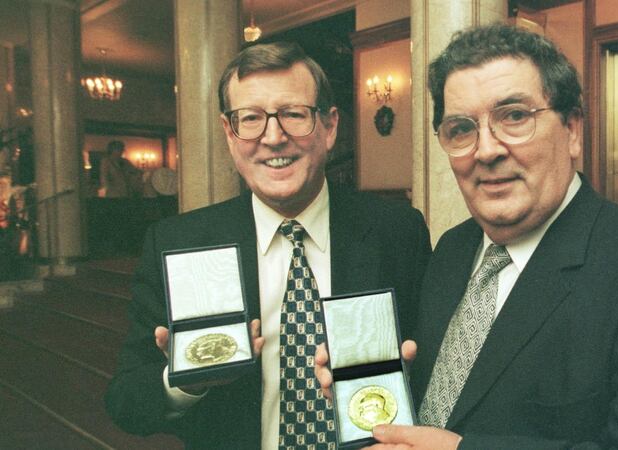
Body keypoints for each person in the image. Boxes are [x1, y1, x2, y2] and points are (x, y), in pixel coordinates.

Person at [317, 24, 618, 449]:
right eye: (461, 129)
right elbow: (457, 399)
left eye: (514, 117)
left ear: (572, 131)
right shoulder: (451, 251)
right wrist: (369, 394)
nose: (487, 150)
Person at [105, 41, 432, 449]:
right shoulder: (180, 243)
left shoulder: (396, 230)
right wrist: (184, 380)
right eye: (251, 119)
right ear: (229, 133)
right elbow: (125, 404)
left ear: (329, 127)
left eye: (294, 115)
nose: (273, 137)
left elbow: (436, 373)